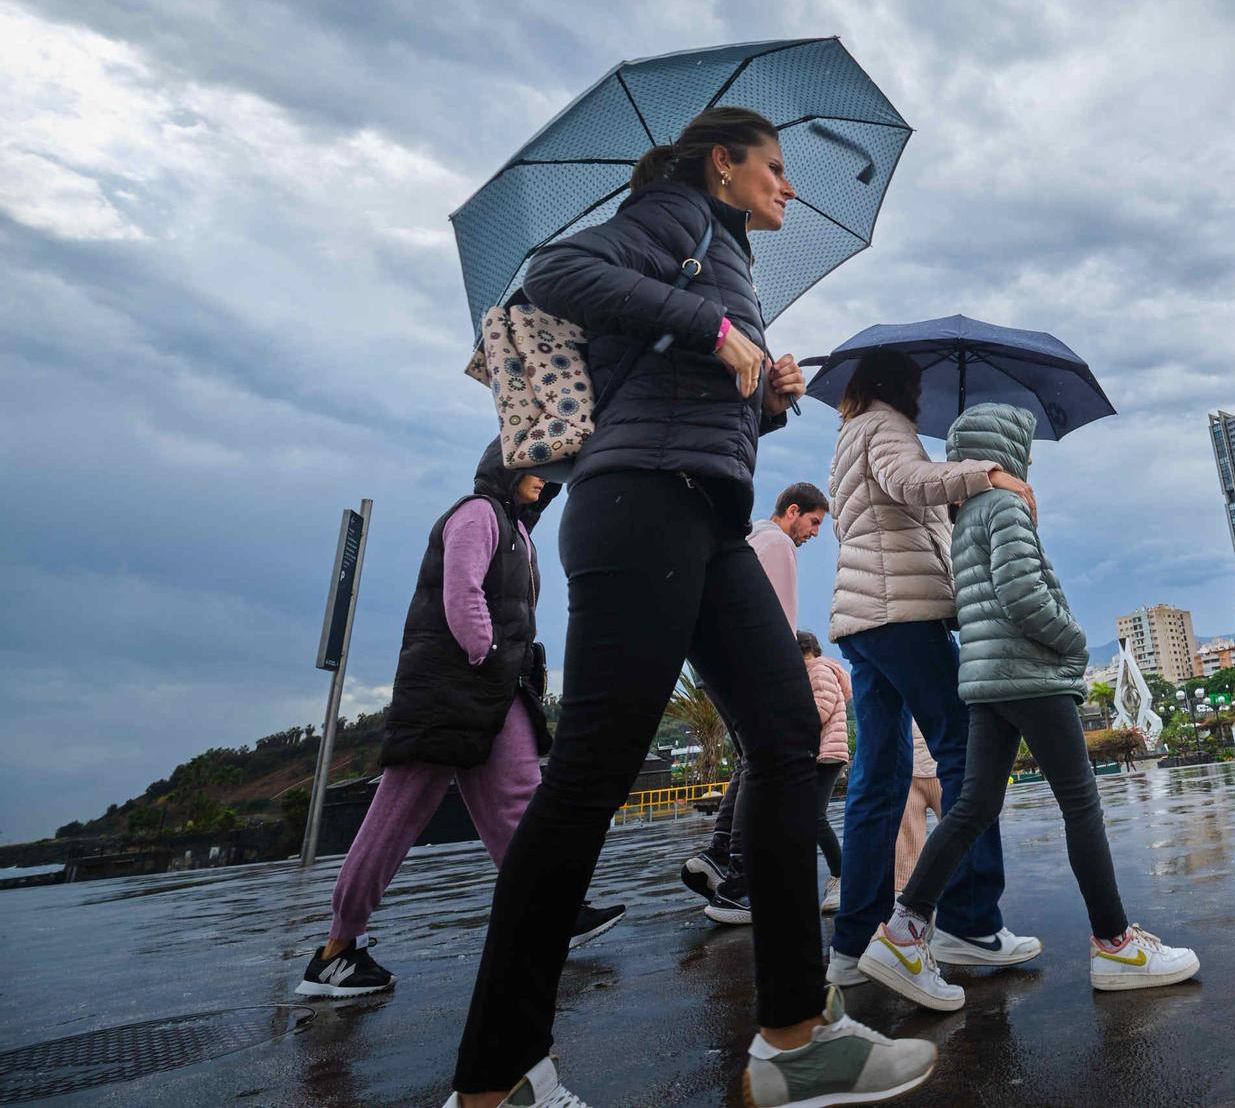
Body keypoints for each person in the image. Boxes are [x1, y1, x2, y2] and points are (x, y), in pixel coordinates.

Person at [442, 110, 935, 1108]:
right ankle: (495, 1083)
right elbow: (555, 274)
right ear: (723, 162)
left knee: (789, 733)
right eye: (776, 168)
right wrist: (716, 329)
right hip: (640, 506)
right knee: (590, 772)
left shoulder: (721, 254)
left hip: (702, 514)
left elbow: (680, 388)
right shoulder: (670, 214)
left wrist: (771, 393)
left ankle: (793, 1039)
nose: (788, 189)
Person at [858, 404, 1199, 1010]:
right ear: (1006, 450)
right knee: (1080, 803)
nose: (1030, 460)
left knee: (973, 806)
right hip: (1031, 674)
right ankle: (1116, 943)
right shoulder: (1006, 505)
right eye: (1027, 448)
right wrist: (1072, 643)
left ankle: (903, 933)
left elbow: (976, 604)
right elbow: (1022, 594)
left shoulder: (962, 515)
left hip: (988, 680)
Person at [296, 440, 623, 999]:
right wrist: (486, 651)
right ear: (509, 466)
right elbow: (461, 589)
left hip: (496, 692)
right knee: (397, 816)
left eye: (550, 473)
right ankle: (336, 951)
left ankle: (551, 914)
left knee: (521, 802)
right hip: (449, 694)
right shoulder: (476, 514)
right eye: (537, 469)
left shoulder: (518, 531)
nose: (545, 480)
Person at [824, 349, 1041, 990]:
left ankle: (852, 946)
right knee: (967, 754)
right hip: (902, 616)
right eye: (915, 381)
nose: (920, 391)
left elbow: (893, 512)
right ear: (898, 384)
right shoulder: (888, 425)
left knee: (878, 781)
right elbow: (909, 482)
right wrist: (989, 473)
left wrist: (943, 510)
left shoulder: (849, 434)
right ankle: (970, 924)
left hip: (864, 622)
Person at [681, 482, 830, 924]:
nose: (815, 533)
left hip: (720, 663)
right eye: (814, 522)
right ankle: (741, 883)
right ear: (793, 511)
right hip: (756, 667)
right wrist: (788, 678)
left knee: (750, 761)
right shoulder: (778, 544)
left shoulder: (748, 539)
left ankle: (718, 855)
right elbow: (779, 618)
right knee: (767, 763)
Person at [800, 630, 853, 912]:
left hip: (826, 753)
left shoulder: (818, 669)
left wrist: (789, 721)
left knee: (815, 817)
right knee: (810, 816)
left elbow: (818, 710)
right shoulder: (821, 668)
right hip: (825, 752)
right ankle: (840, 876)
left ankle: (841, 877)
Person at [893, 720, 940, 892]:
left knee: (961, 838)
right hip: (909, 774)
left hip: (942, 770)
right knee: (905, 844)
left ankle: (965, 891)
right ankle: (902, 897)